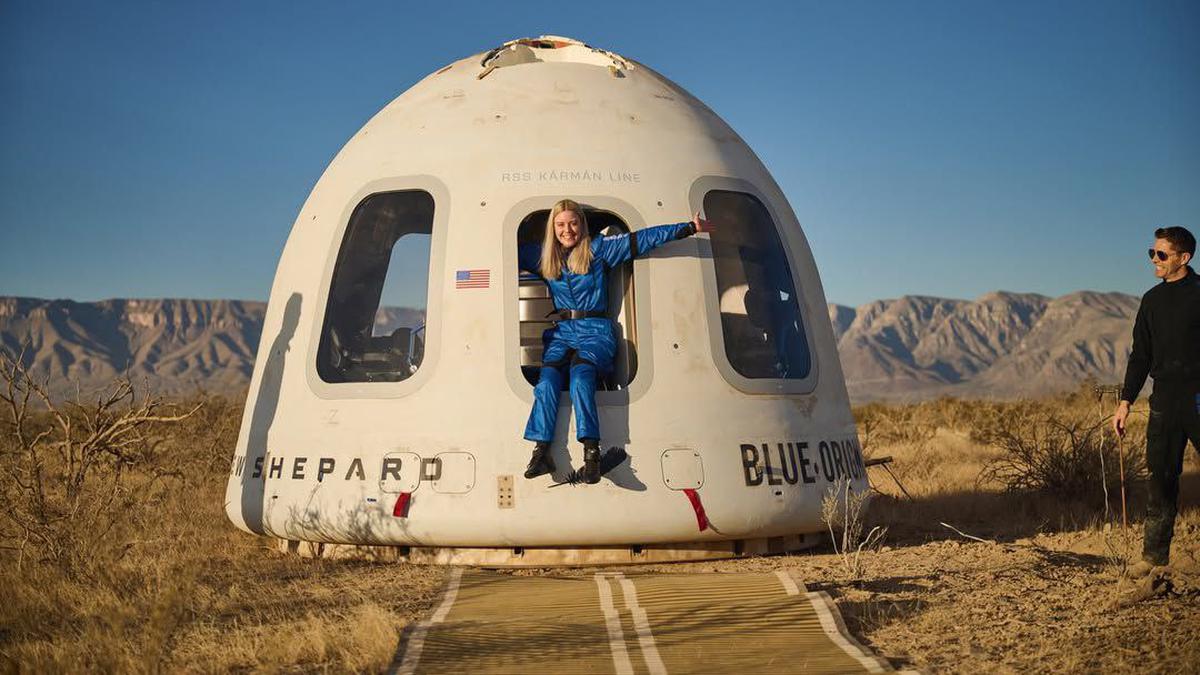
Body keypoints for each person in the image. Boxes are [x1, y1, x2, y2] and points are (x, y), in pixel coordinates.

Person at [518, 199, 714, 483]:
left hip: (595, 330)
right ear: (553, 228)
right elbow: (499, 251)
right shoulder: (543, 256)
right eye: (560, 225)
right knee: (547, 382)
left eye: (573, 223)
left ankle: (591, 452)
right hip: (562, 333)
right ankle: (541, 451)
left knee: (581, 377)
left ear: (581, 225)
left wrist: (687, 228)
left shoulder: (599, 249)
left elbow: (642, 240)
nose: (567, 230)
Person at [1113, 226, 1200, 575]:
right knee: (1161, 479)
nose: (1154, 260)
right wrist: (1125, 402)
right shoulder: (1151, 300)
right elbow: (1140, 356)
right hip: (1163, 401)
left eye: (1161, 255)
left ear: (1184, 258)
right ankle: (1153, 557)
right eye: (1152, 253)